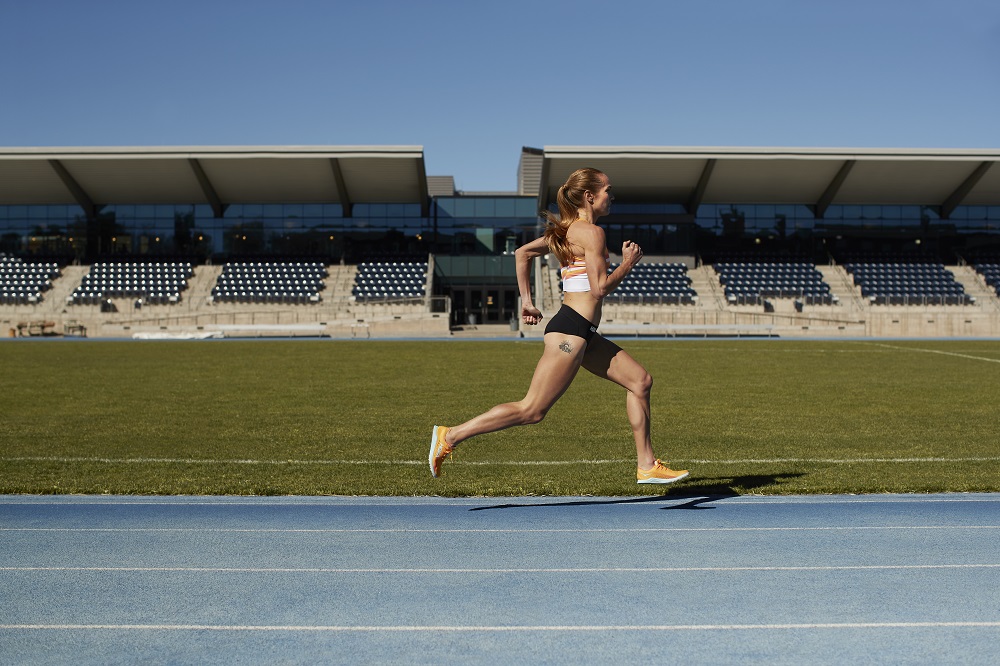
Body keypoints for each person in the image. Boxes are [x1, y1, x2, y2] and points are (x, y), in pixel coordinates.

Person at [429, 167, 689, 485]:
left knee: (640, 382)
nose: (612, 196)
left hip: (582, 331)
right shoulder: (590, 233)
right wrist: (627, 264)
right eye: (608, 190)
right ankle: (450, 435)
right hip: (570, 331)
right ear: (590, 196)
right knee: (532, 410)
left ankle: (646, 464)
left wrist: (527, 300)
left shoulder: (568, 230)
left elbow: (523, 253)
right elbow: (599, 288)